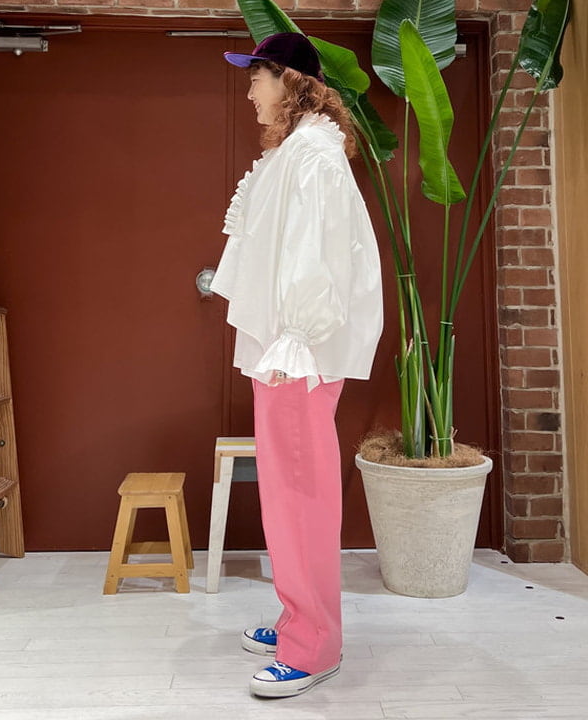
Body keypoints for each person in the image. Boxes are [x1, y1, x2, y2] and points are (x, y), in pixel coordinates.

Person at [210, 32, 383, 698]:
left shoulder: (312, 154)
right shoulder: (297, 151)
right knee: (286, 492)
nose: (249, 91)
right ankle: (297, 619)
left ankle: (314, 646)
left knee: (301, 492)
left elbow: (317, 255)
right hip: (287, 348)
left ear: (287, 80)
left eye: (255, 78)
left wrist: (294, 338)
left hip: (297, 351)